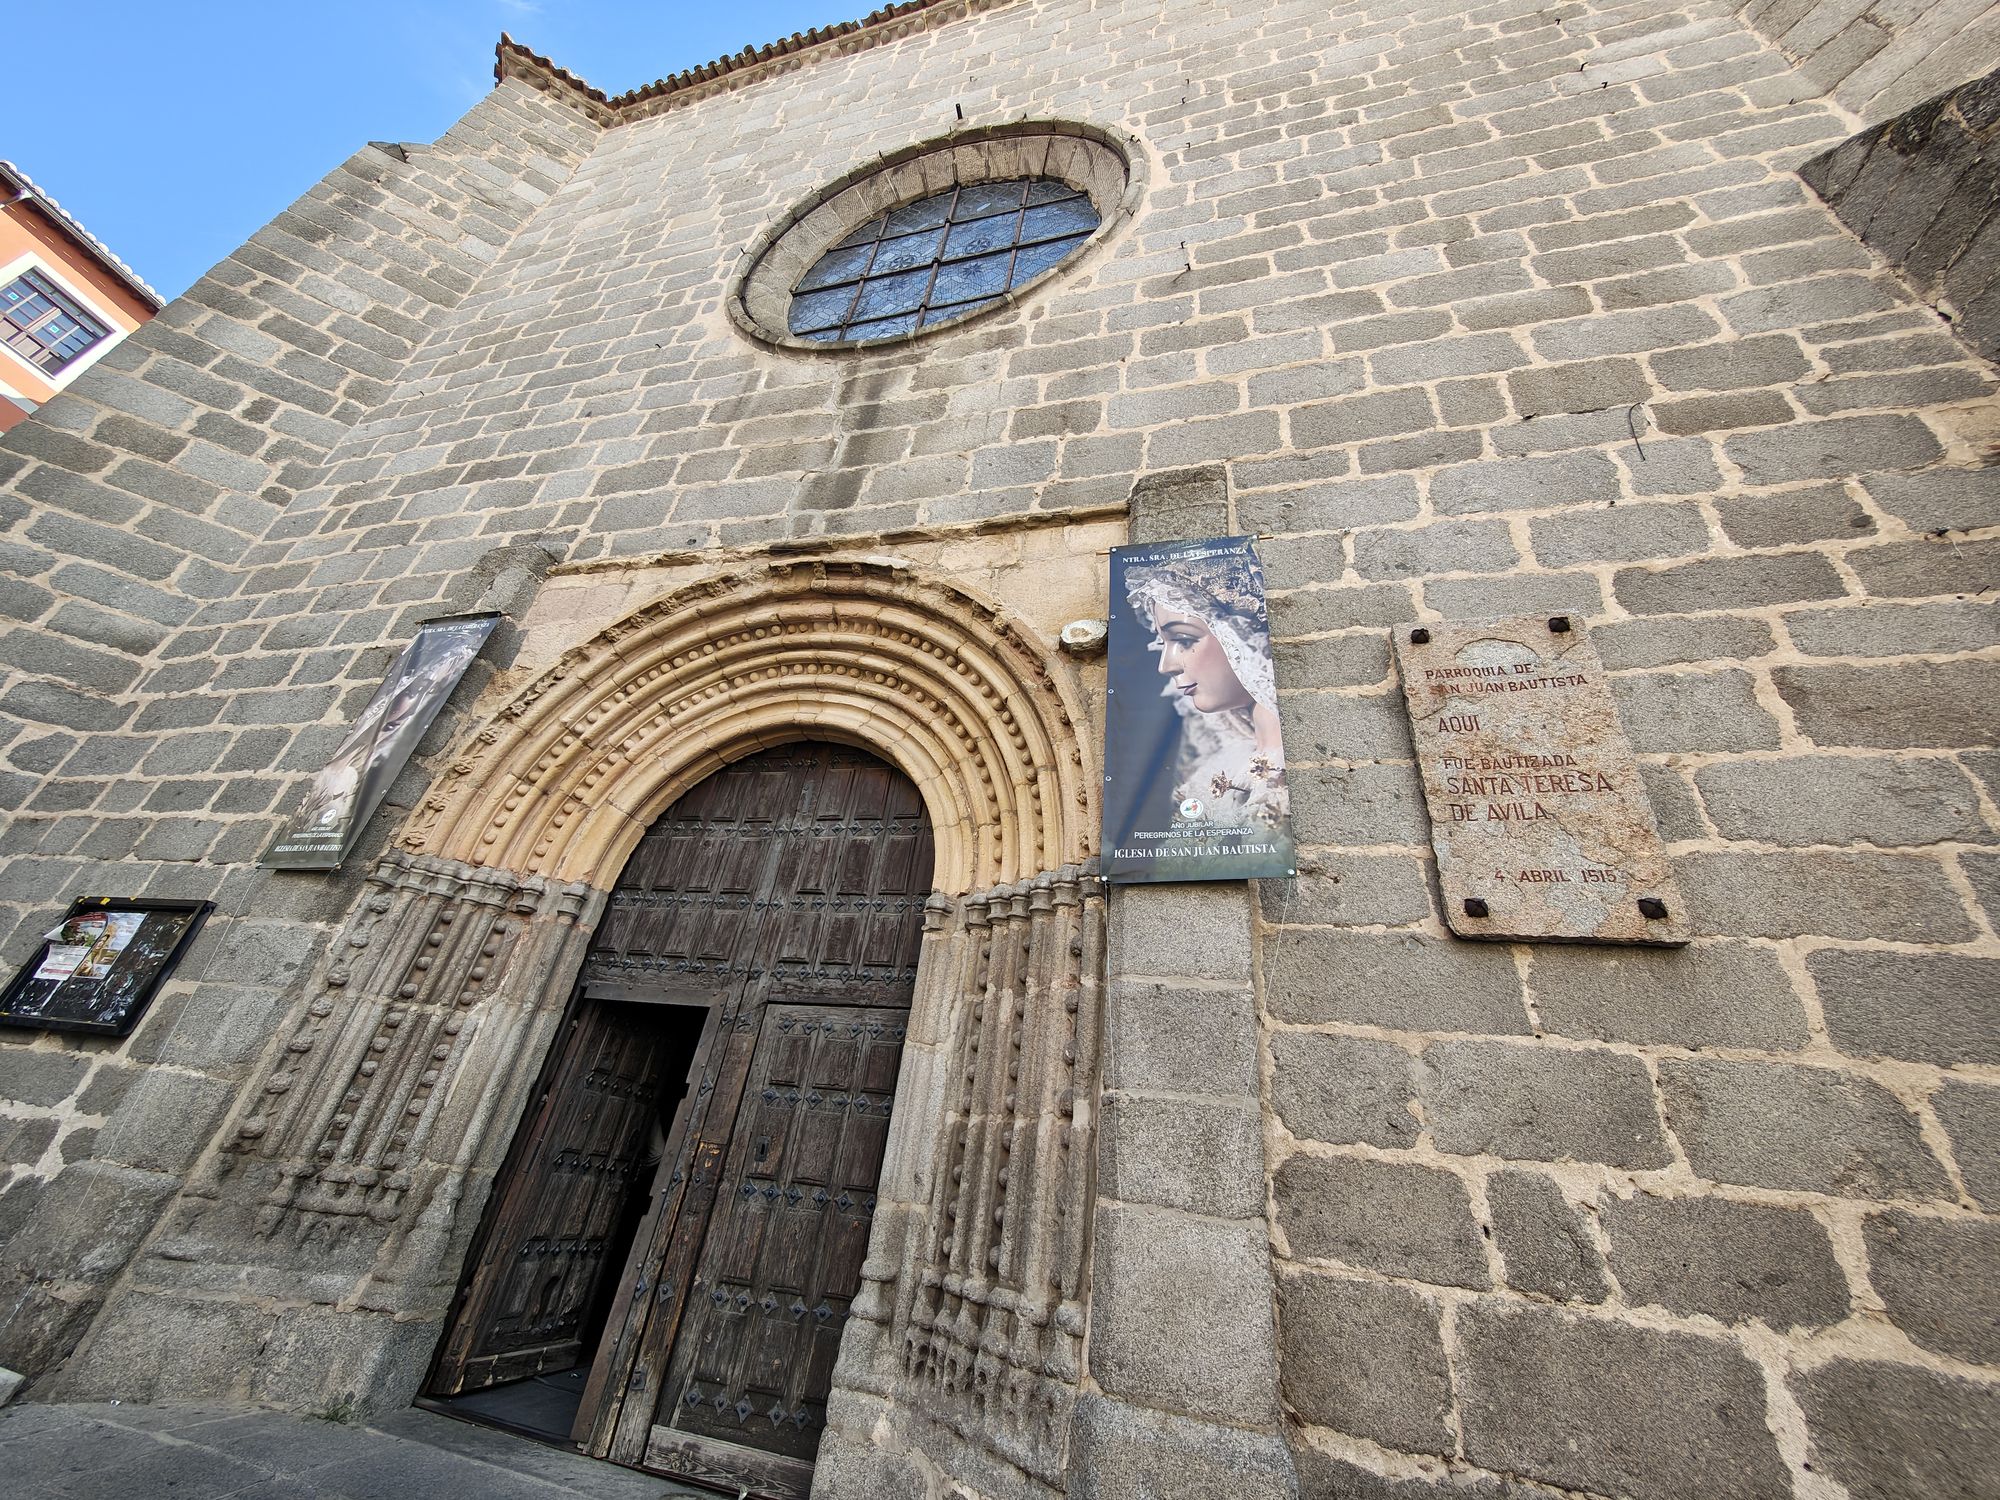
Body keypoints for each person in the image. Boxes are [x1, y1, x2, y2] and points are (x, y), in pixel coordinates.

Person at [1122, 549, 1288, 829]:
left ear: (1241, 637)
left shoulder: (1287, 766)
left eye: (1184, 640)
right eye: (1163, 643)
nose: (1166, 666)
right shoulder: (1226, 763)